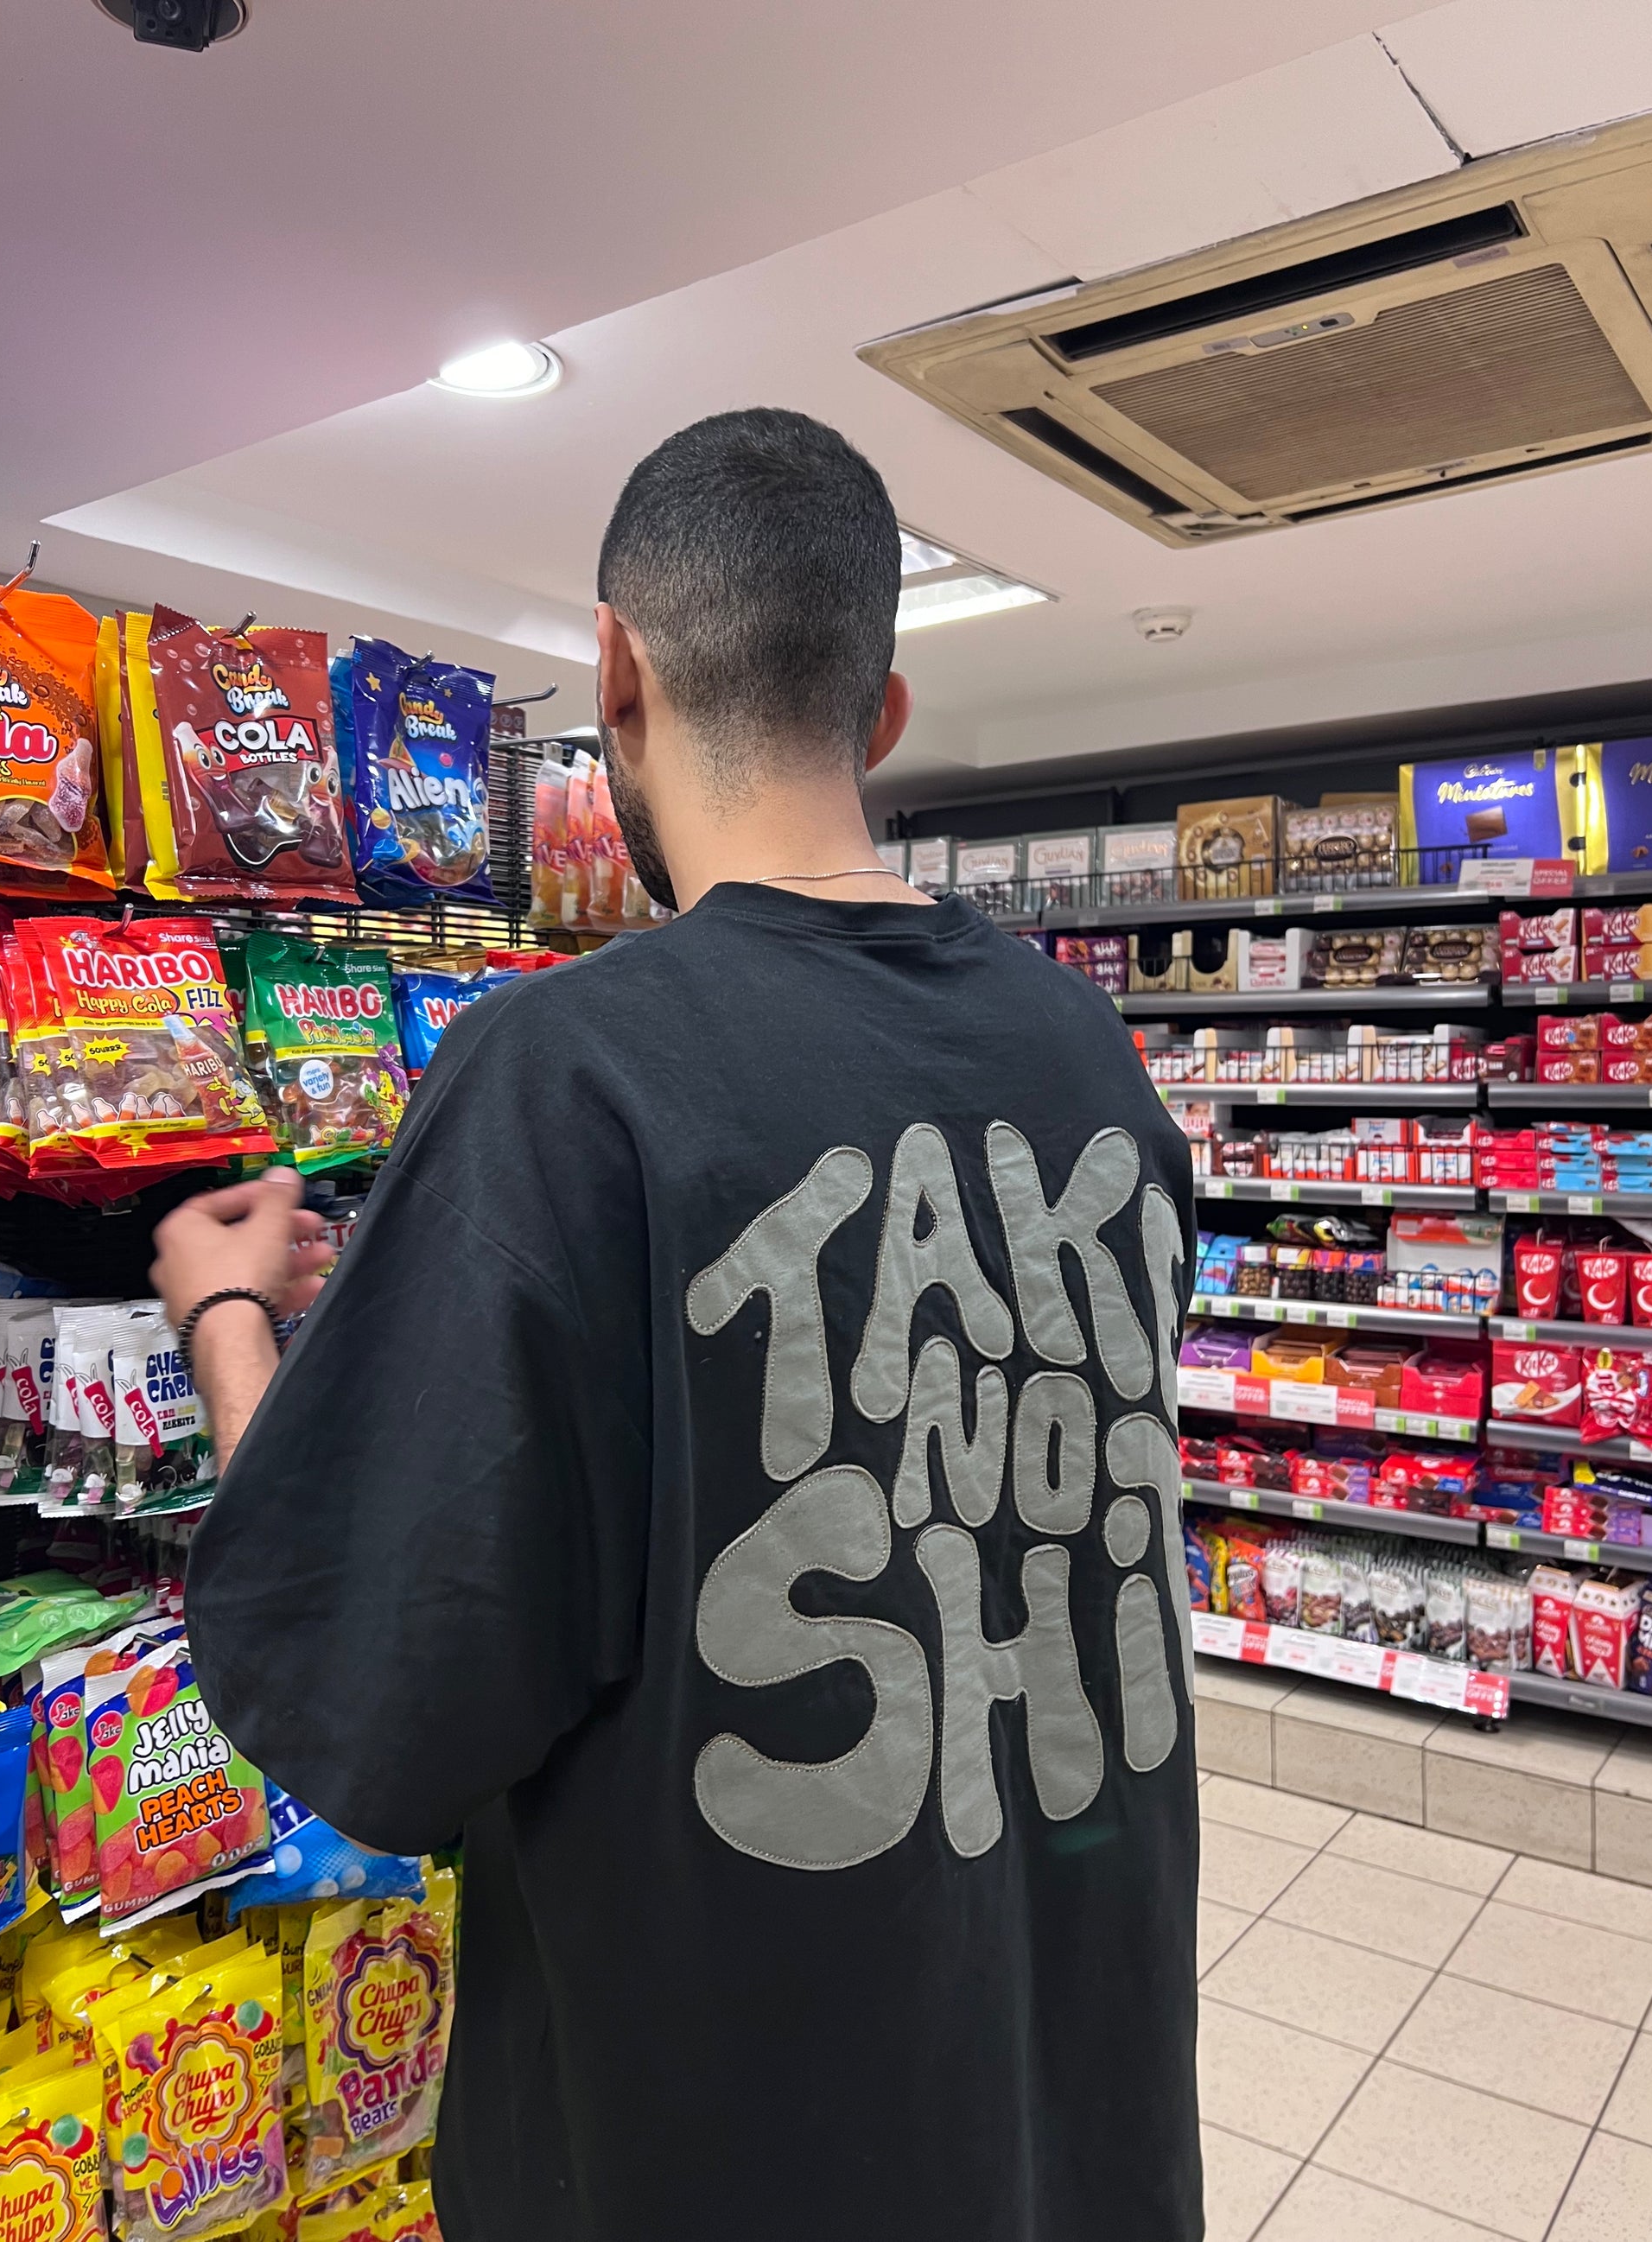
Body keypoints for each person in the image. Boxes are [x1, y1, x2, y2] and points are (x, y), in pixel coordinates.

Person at [161, 407, 1203, 2242]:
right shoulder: (1084, 1056)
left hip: (716, 2145)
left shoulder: (567, 1072)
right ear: (883, 711)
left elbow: (378, 1694)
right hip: (1072, 2132)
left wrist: (226, 1314)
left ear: (616, 671)